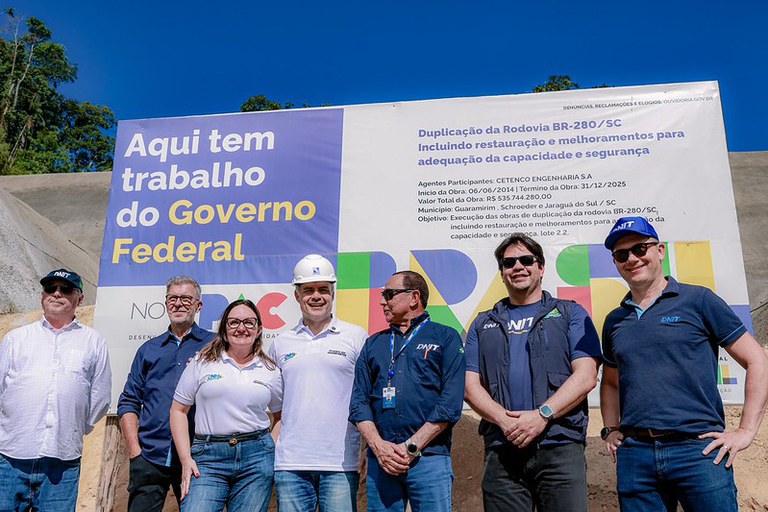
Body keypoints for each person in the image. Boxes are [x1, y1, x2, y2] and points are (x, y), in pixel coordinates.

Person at [600, 216, 768, 511]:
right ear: (615, 262)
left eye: (641, 248)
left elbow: (757, 360)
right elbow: (611, 382)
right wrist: (610, 429)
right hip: (636, 456)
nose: (632, 259)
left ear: (660, 251)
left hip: (699, 451)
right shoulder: (615, 320)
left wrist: (745, 432)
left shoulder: (698, 300)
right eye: (622, 254)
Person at [464, 233, 602, 511]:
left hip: (560, 446)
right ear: (502, 273)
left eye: (526, 260)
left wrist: (542, 415)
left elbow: (586, 376)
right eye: (509, 262)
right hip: (502, 448)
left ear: (541, 267)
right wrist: (504, 421)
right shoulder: (482, 324)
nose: (518, 267)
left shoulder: (570, 314)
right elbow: (469, 386)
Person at [349, 270, 466, 512]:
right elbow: (358, 403)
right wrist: (379, 447)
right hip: (383, 462)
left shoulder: (446, 337)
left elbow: (450, 403)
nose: (383, 301)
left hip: (429, 458)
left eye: (389, 295)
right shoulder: (373, 343)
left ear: (414, 297)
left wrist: (411, 447)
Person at [0, 268, 111, 512]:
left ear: (79, 299)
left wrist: (72, 426)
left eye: (66, 289)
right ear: (42, 296)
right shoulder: (15, 339)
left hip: (63, 461)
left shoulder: (93, 341)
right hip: (10, 457)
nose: (56, 294)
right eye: (50, 288)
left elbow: (100, 396)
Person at [267, 254, 367, 511]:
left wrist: (367, 447)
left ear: (333, 294)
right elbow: (275, 406)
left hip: (340, 462)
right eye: (308, 290)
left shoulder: (356, 337)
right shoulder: (281, 343)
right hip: (290, 464)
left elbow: (366, 397)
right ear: (297, 295)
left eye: (323, 289)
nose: (316, 296)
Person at [170, 298, 282, 512]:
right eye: (234, 322)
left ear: (259, 330)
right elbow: (178, 410)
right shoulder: (202, 362)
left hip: (256, 459)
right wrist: (185, 459)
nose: (241, 328)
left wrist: (270, 448)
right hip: (208, 458)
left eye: (249, 322)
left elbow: (280, 416)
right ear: (224, 329)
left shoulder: (270, 370)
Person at [117, 276, 216, 511]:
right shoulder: (148, 350)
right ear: (166, 303)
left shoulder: (214, 345)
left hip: (197, 456)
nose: (178, 304)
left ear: (198, 305)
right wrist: (135, 451)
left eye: (186, 299)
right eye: (173, 298)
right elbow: (129, 401)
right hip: (150, 457)